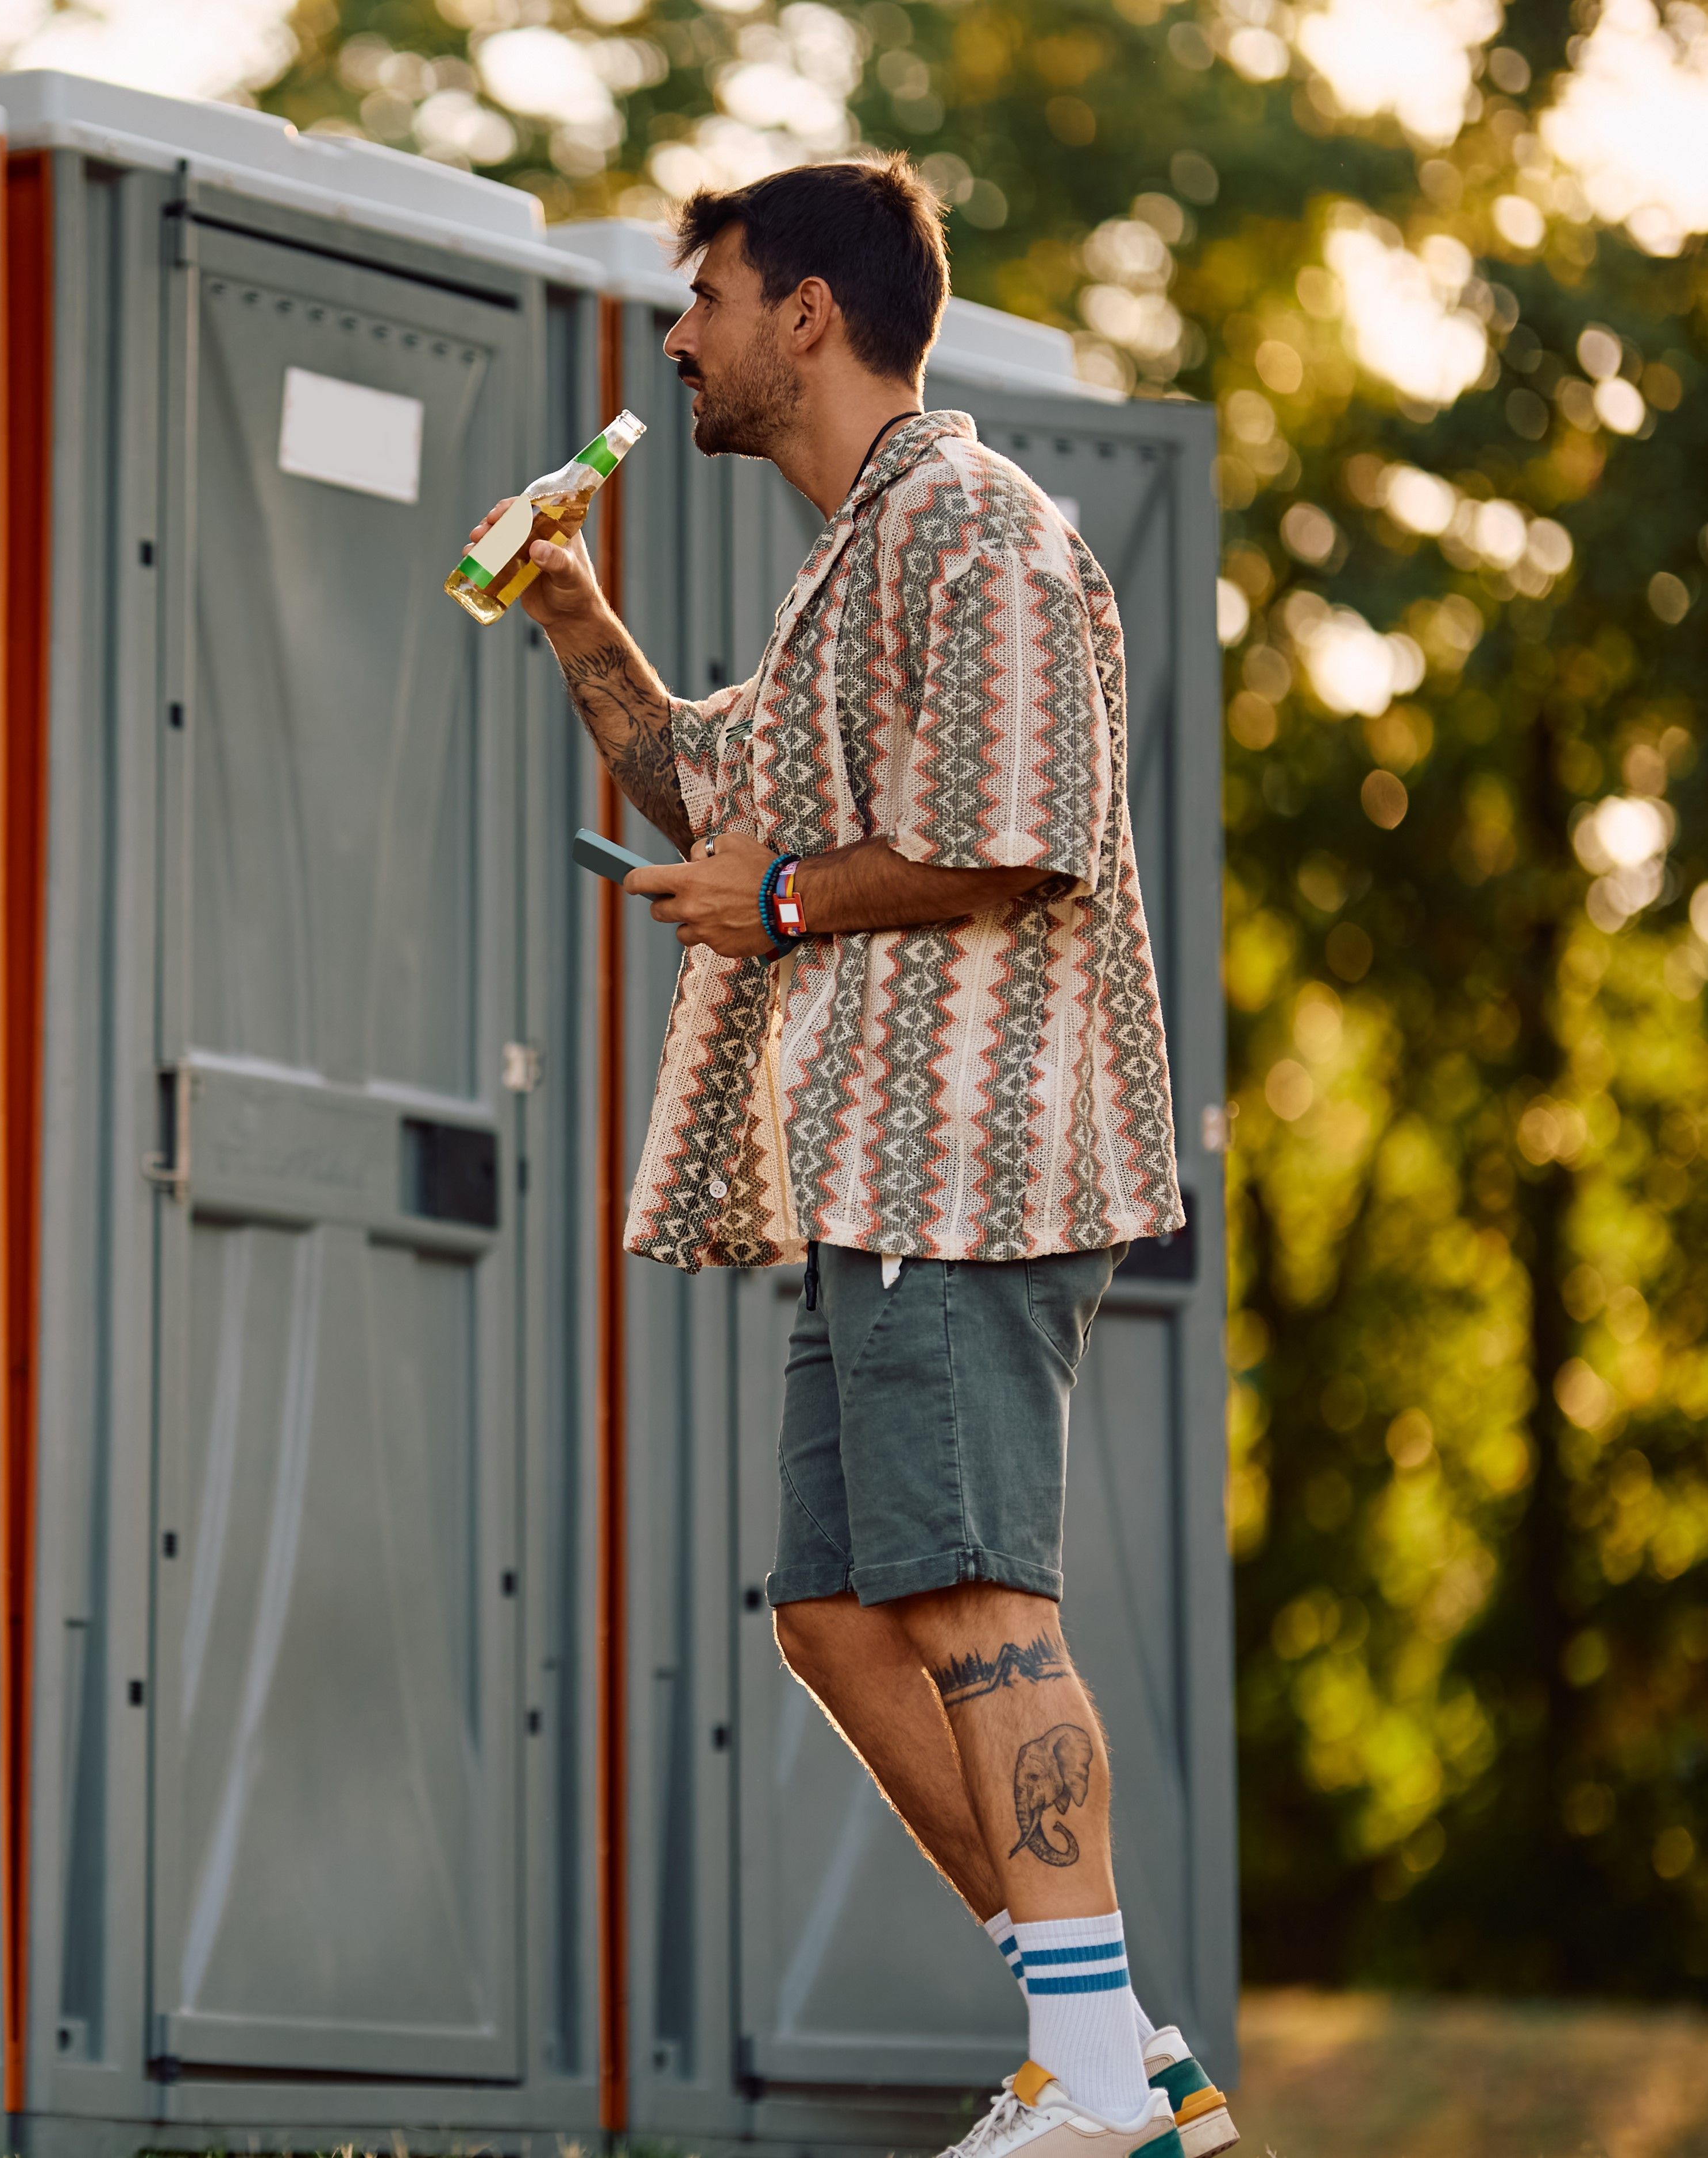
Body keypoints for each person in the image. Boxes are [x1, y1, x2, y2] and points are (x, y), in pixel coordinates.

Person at [471, 157, 1227, 2157]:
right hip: (873, 1182)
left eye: (705, 296)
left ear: (807, 313)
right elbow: (703, 789)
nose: (677, 338)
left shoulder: (978, 529)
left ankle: (1093, 2089)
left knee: (977, 1601)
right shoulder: (854, 564)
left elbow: (1021, 832)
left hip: (972, 1161)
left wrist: (786, 900)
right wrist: (569, 606)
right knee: (831, 1612)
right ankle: (1116, 2057)